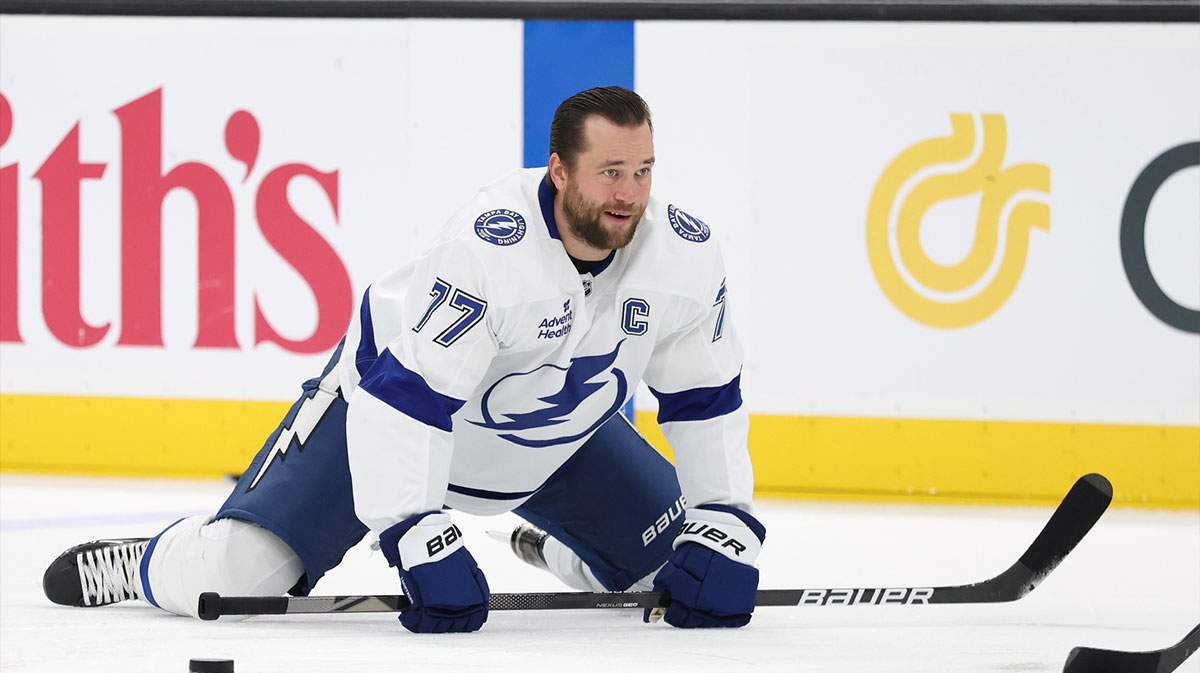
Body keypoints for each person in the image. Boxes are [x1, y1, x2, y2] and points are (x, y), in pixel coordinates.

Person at [41, 86, 765, 632]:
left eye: (643, 171)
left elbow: (707, 396)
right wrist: (414, 531)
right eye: (610, 172)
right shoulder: (490, 247)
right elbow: (406, 396)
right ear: (558, 172)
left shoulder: (684, 254)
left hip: (556, 438)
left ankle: (557, 553)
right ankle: (155, 557)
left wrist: (725, 516)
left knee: (678, 561)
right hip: (379, 417)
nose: (630, 195)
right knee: (237, 575)